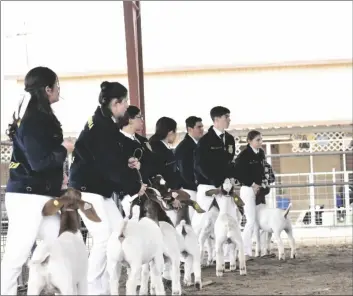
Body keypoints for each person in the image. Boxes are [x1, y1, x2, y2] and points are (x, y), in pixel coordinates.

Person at [1, 66, 74, 295]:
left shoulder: (38, 115)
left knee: (57, 244)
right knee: (17, 254)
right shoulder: (34, 119)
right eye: (57, 85)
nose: (59, 91)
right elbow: (38, 162)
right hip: (27, 196)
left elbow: (40, 159)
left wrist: (57, 176)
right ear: (47, 88)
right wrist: (64, 148)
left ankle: (46, 287)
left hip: (41, 195)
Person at [69, 81, 146, 295]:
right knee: (103, 236)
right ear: (116, 103)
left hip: (99, 188)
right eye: (125, 102)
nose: (127, 107)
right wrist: (134, 186)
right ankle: (92, 288)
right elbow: (107, 165)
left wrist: (128, 162)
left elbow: (111, 159)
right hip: (85, 188)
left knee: (118, 230)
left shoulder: (105, 122)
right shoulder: (102, 127)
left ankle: (102, 286)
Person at [117, 105, 160, 217]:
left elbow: (154, 163)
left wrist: (142, 167)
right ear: (130, 119)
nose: (142, 121)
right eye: (139, 117)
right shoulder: (117, 141)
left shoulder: (143, 141)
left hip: (148, 190)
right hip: (128, 193)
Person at [233, 130, 268, 261]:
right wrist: (252, 184)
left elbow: (262, 170)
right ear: (249, 141)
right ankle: (244, 251)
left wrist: (262, 183)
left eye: (261, 139)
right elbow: (238, 173)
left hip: (258, 189)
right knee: (250, 221)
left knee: (259, 220)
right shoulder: (243, 155)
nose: (260, 142)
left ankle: (262, 248)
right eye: (257, 140)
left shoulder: (261, 153)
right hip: (247, 189)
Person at [175, 116, 204, 220]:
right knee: (193, 219)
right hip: (190, 189)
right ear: (190, 129)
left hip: (197, 188)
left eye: (202, 127)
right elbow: (184, 171)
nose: (202, 129)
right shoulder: (184, 147)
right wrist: (196, 185)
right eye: (199, 127)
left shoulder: (198, 145)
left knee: (200, 219)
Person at [149, 117, 183, 190]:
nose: (176, 135)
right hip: (164, 191)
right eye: (175, 131)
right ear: (170, 132)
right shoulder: (159, 149)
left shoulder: (157, 146)